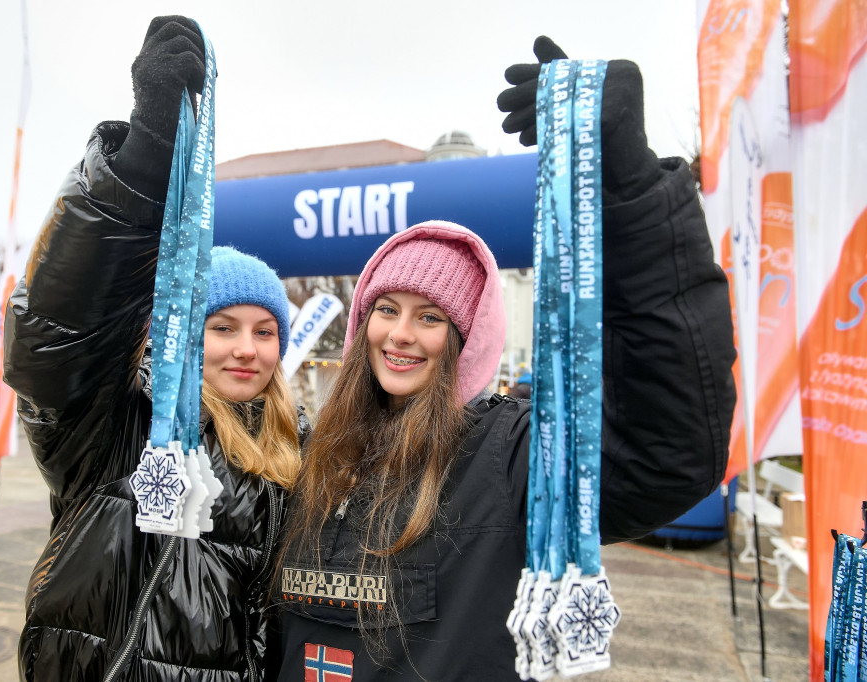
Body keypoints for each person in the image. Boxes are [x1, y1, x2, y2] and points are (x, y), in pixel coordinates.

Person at [271, 37, 737, 680]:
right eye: (386, 309)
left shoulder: (510, 456)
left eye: (432, 317)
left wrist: (627, 182)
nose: (400, 334)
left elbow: (668, 451)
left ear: (466, 341)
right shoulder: (319, 451)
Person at [3, 17, 307, 682]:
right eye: (222, 326)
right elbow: (58, 333)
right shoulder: (115, 424)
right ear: (183, 333)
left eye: (265, 331)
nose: (246, 349)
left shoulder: (303, 453)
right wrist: (142, 168)